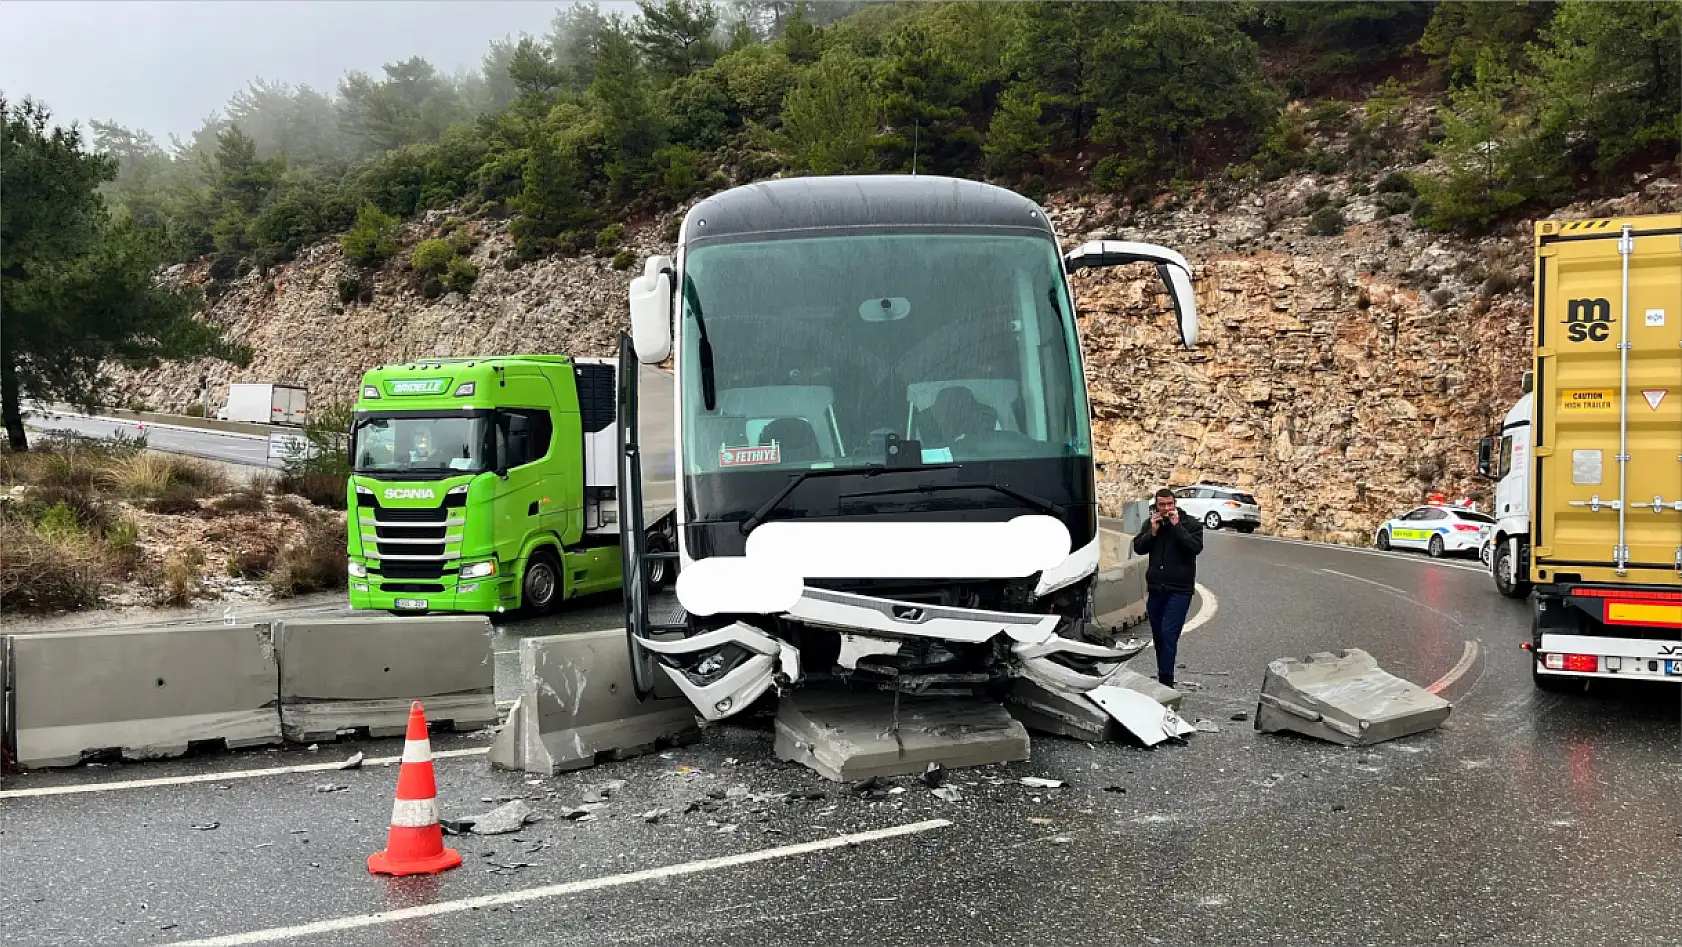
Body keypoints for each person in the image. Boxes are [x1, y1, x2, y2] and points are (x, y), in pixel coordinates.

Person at [1131, 487, 1204, 688]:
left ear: (1175, 504)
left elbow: (1195, 548)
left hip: (1179, 590)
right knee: (1159, 637)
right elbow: (1138, 547)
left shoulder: (1191, 524)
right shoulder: (1152, 523)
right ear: (1156, 506)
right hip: (1156, 589)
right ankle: (1163, 674)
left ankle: (1166, 683)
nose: (1166, 508)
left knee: (1168, 633)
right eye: (1161, 505)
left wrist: (1177, 527)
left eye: (1169, 504)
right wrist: (1152, 532)